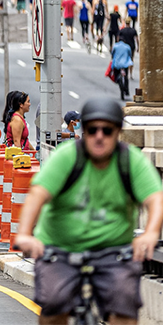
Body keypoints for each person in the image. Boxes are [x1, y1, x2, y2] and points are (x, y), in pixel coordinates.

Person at [13, 98, 163, 325]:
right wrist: (24, 234)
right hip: (60, 248)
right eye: (92, 130)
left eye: (107, 130)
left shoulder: (129, 161)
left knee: (124, 307)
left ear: (118, 132)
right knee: (54, 304)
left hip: (112, 252)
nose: (99, 136)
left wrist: (151, 233)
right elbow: (38, 195)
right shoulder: (67, 157)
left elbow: (156, 199)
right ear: (84, 131)